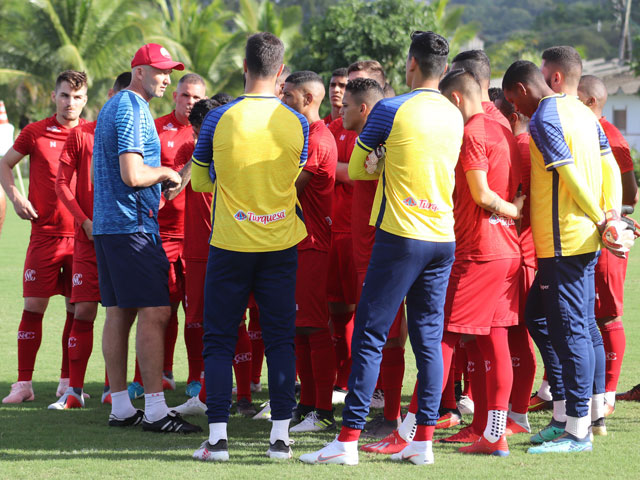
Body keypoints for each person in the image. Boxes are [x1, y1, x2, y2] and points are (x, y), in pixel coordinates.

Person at [300, 31, 463, 467]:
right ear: (443, 70)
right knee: (428, 340)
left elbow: (357, 168)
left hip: (400, 235)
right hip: (442, 238)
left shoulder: (391, 108)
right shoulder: (454, 113)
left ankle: (347, 441)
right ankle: (421, 443)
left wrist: (384, 157)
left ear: (411, 65)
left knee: (370, 335)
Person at [190, 32, 308, 462]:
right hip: (280, 245)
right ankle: (280, 438)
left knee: (219, 341)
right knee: (280, 341)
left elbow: (200, 180)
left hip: (230, 244)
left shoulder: (220, 119)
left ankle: (218, 440)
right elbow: (293, 174)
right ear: (280, 72)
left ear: (244, 67)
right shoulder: (299, 122)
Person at [502, 59, 623, 454]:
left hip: (565, 239)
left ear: (554, 75)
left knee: (573, 330)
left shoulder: (547, 115)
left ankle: (577, 430)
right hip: (580, 237)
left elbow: (568, 172)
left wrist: (602, 217)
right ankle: (574, 416)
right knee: (553, 317)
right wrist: (611, 213)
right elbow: (611, 166)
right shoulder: (585, 115)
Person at [92, 43, 200, 434]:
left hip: (110, 227)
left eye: (169, 71)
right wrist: (167, 173)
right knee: (156, 311)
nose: (166, 78)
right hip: (132, 227)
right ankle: (155, 410)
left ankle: (121, 406)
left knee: (119, 312)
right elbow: (133, 175)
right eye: (159, 71)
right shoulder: (134, 109)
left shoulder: (117, 104)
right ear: (139, 70)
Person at [438, 69, 524, 456]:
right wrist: (515, 211)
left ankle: (409, 432)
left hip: (479, 251)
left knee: (443, 337)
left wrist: (511, 210)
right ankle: (494, 433)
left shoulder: (472, 132)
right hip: (506, 251)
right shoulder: (502, 125)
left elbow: (483, 195)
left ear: (455, 98)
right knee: (494, 341)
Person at [1, 70, 88, 404]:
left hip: (81, 237)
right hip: (44, 235)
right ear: (55, 96)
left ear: (85, 100)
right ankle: (24, 384)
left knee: (76, 311)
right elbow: (4, 164)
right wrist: (16, 198)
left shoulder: (90, 133)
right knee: (33, 306)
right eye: (65, 95)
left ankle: (67, 382)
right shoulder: (35, 132)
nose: (71, 103)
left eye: (78, 97)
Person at [49, 72, 131, 409]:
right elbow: (62, 184)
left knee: (122, 313)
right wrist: (83, 221)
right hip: (88, 239)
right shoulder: (83, 135)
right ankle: (74, 392)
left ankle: (115, 389)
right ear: (111, 95)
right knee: (83, 311)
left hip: (125, 239)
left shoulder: (140, 134)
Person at [127, 73, 207, 400]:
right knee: (158, 307)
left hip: (197, 233)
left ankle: (197, 376)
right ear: (175, 94)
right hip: (158, 231)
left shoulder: (208, 131)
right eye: (186, 95)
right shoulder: (155, 127)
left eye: (197, 99)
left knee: (196, 311)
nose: (190, 103)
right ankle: (153, 374)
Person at [281, 70, 338, 433]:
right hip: (300, 243)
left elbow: (288, 188)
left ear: (306, 99)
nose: (283, 102)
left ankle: (323, 411)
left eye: (287, 96)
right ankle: (306, 403)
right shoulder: (308, 135)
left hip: (313, 244)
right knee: (299, 328)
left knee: (315, 327)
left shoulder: (318, 139)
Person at [578, 74, 639, 412]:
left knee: (607, 315)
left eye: (576, 97)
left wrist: (609, 214)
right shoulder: (584, 129)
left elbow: (631, 194)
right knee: (589, 314)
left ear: (590, 102)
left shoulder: (610, 137)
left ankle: (607, 395)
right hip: (589, 234)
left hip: (607, 236)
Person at [494, 90, 539, 434]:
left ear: (510, 115)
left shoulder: (521, 146)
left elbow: (522, 205)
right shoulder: (518, 144)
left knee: (517, 336)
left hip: (523, 253)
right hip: (519, 251)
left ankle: (519, 414)